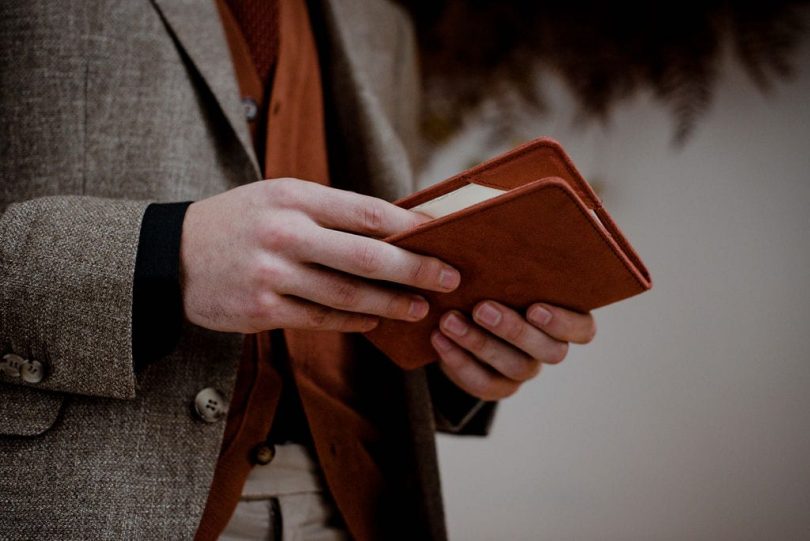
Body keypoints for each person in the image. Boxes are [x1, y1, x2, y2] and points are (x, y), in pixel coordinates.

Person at [0, 0, 596, 539]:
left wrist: (460, 345)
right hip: (79, 500)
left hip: (362, 507)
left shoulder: (380, 23)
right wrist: (162, 254)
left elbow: (385, 271)